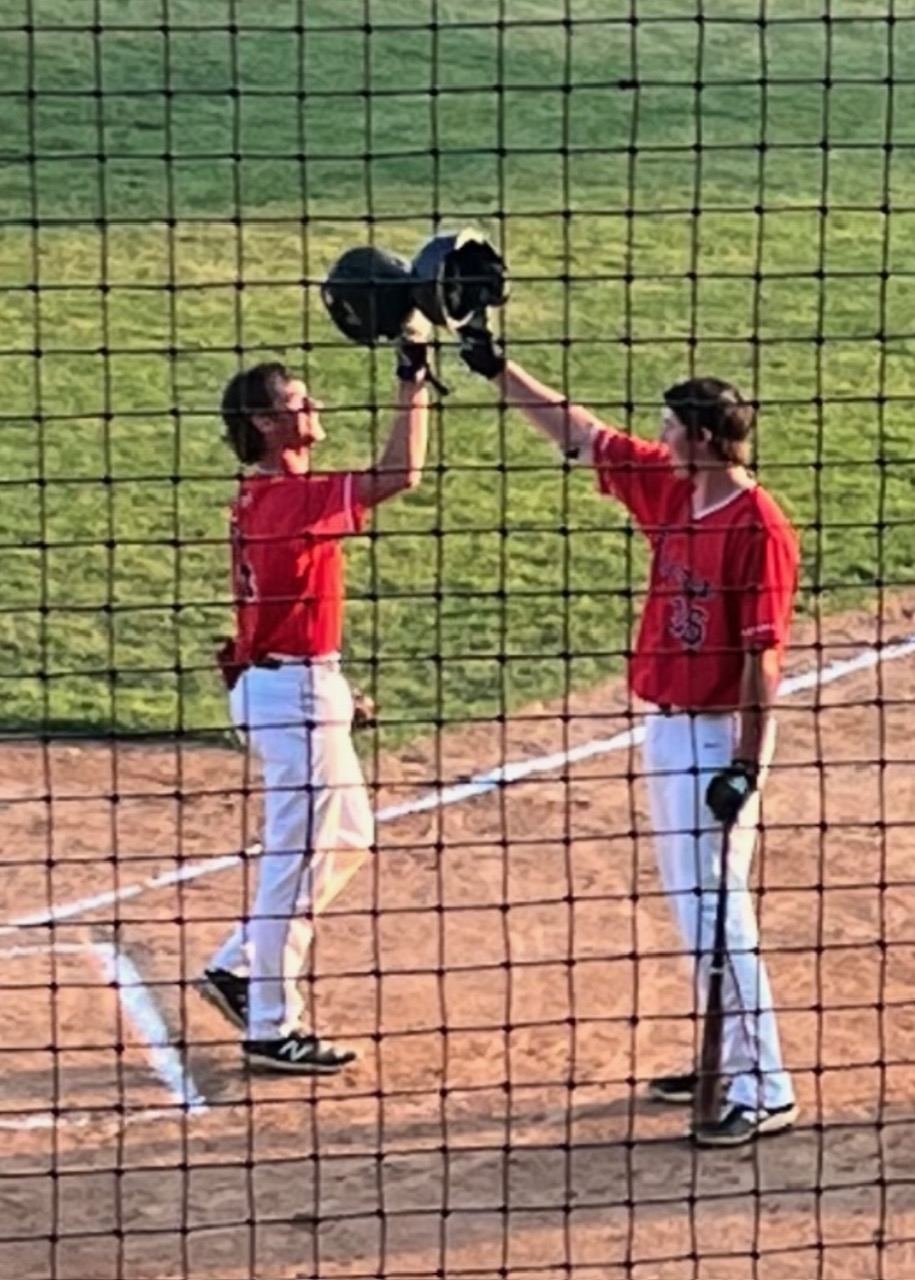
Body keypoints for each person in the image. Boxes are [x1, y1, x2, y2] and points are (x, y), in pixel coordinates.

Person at [457, 320, 800, 1147]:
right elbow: (582, 434)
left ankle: (765, 1083)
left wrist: (746, 768)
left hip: (718, 737)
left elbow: (763, 663)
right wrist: (500, 368)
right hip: (671, 730)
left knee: (719, 909)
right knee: (696, 907)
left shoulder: (757, 526)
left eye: (672, 428)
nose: (659, 437)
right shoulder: (673, 487)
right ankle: (722, 1054)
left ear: (708, 439)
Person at [196, 329, 431, 1075]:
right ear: (268, 424)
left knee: (348, 835)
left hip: (291, 684)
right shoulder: (291, 497)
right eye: (298, 400)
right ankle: (272, 1025)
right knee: (292, 863)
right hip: (289, 691)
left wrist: (330, 687)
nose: (314, 403)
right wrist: (412, 379)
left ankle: (238, 968)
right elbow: (403, 471)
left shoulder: (264, 497)